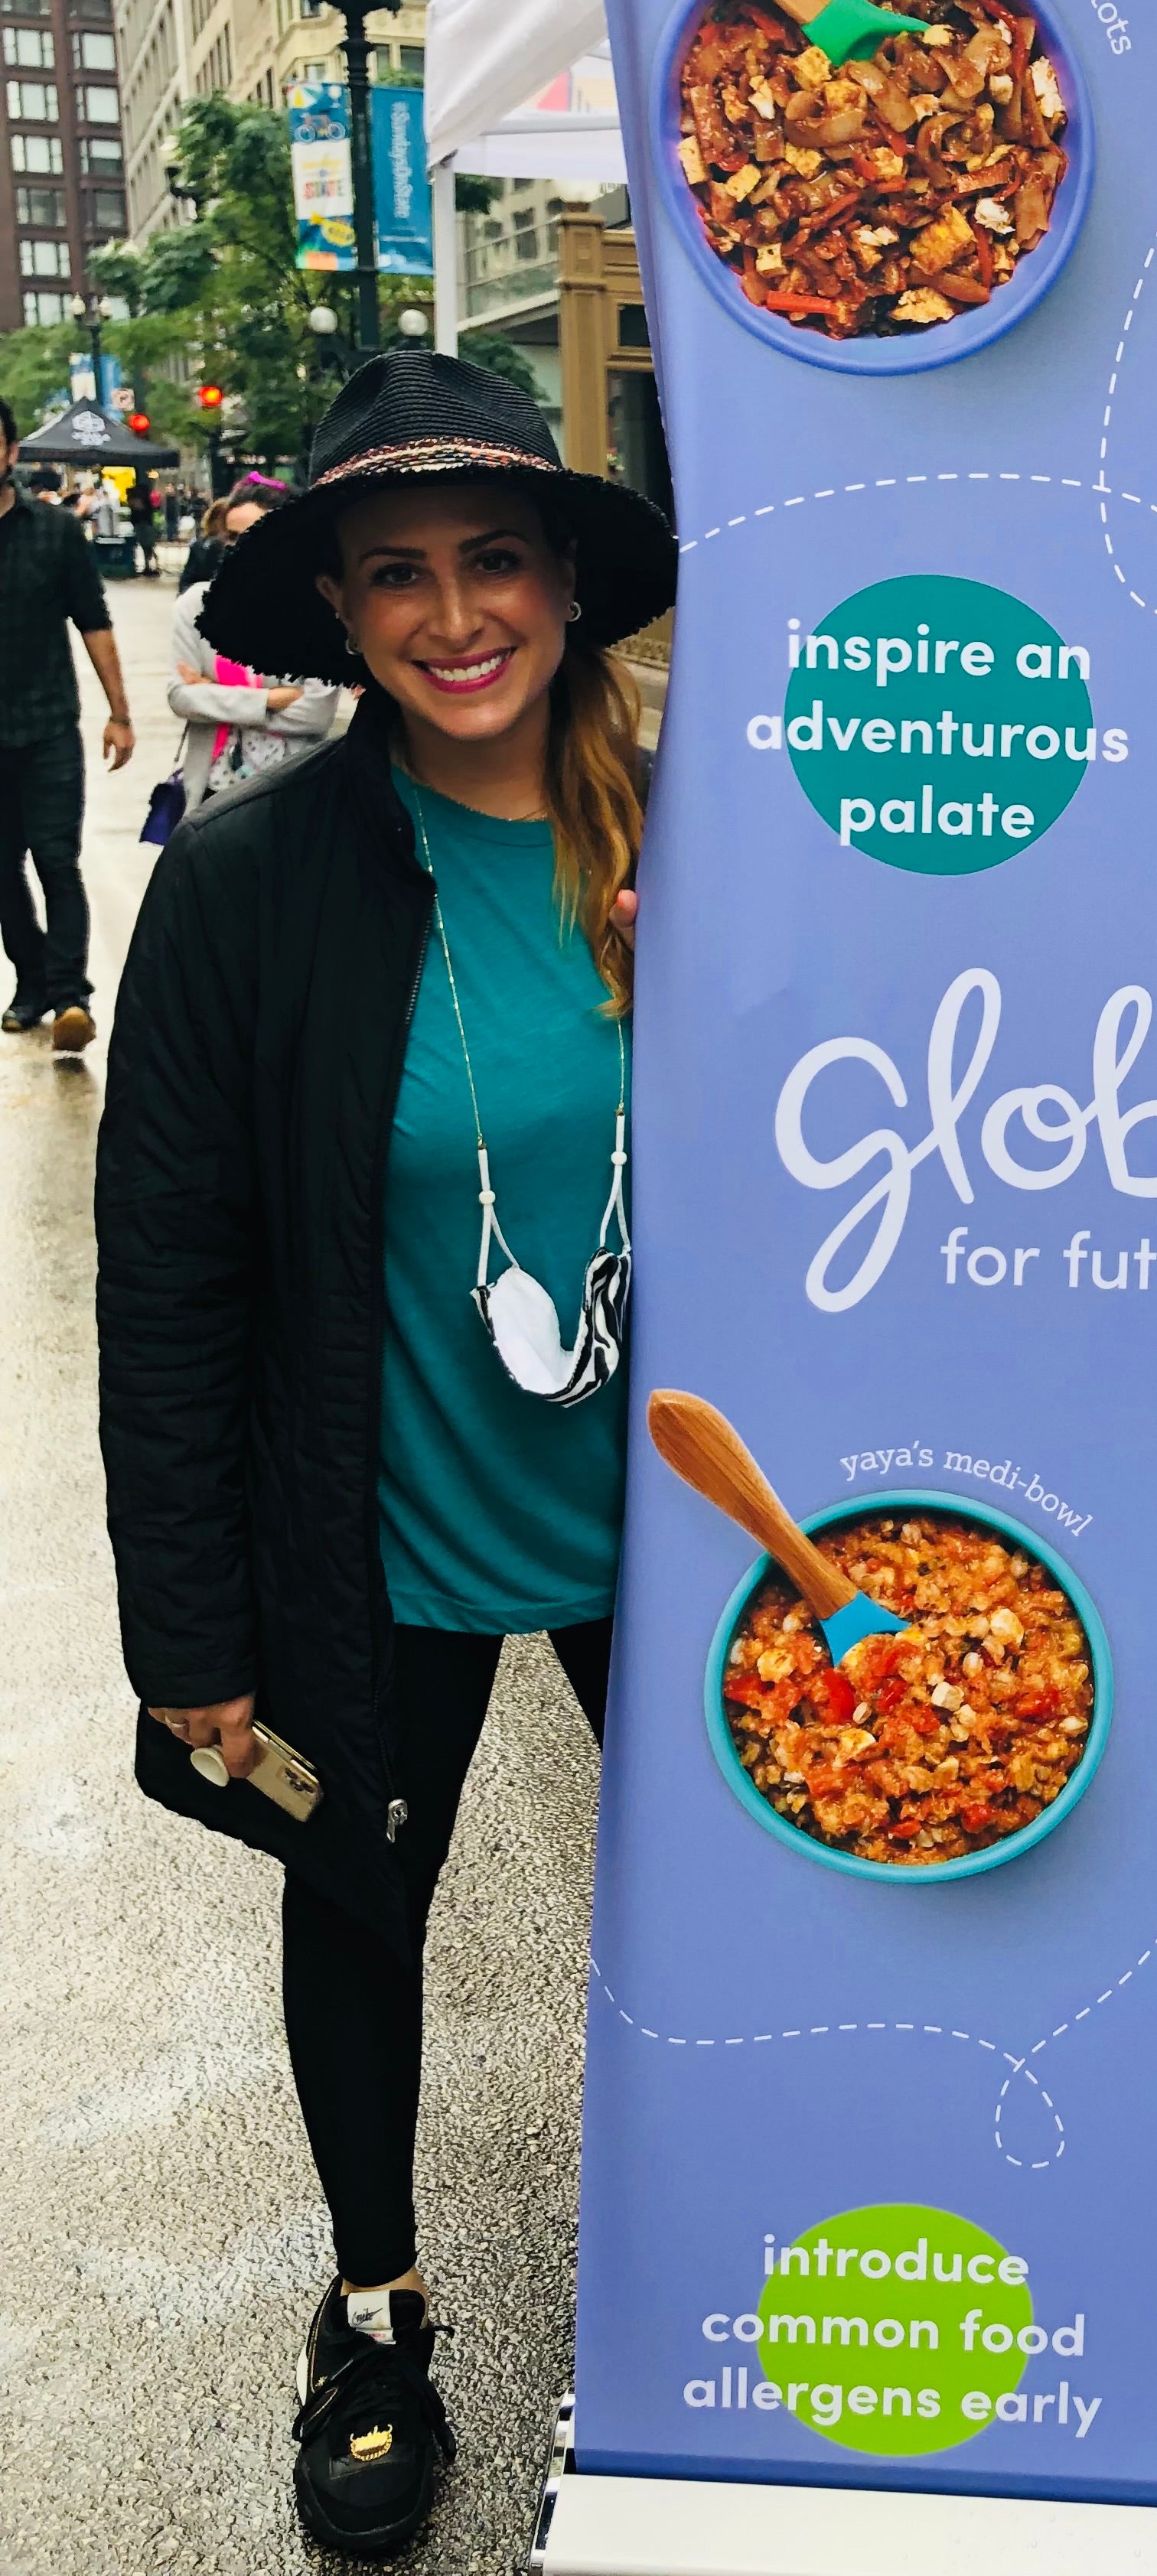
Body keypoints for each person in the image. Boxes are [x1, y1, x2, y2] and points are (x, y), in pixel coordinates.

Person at [95, 348, 674, 2561]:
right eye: (401, 573)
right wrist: (195, 1631)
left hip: (681, 1538)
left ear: (560, 584)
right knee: (363, 1900)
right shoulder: (253, 895)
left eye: (497, 560)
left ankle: (745, 2266)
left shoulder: (696, 844)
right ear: (339, 607)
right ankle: (376, 2306)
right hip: (386, 1531)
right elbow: (169, 1286)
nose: (457, 616)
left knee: (756, 1904)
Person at [0, 395, 137, 1047]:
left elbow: (94, 623)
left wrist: (120, 713)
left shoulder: (54, 533)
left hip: (48, 727)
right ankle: (30, 985)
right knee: (2, 871)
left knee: (58, 861)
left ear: (10, 453)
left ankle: (69, 998)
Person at [167, 490, 340, 810]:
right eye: (233, 537)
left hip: (291, 794)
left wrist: (214, 694)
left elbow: (315, 714)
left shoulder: (318, 612)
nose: (240, 547)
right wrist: (271, 700)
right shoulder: (195, 606)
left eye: (255, 534)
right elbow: (181, 697)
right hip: (211, 793)